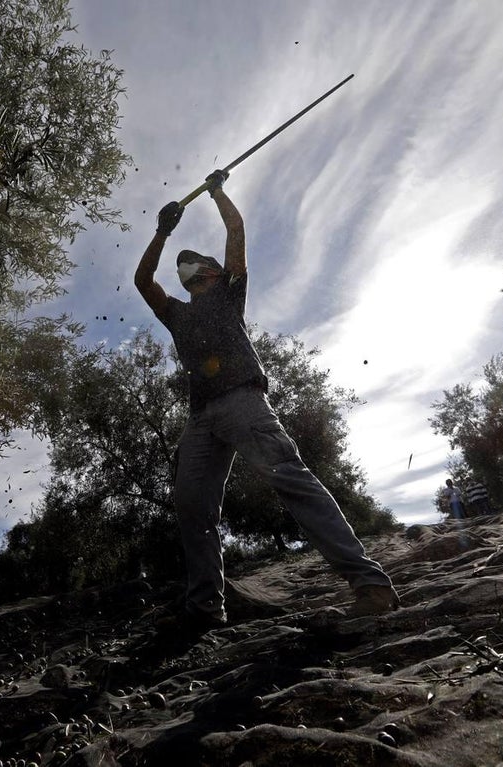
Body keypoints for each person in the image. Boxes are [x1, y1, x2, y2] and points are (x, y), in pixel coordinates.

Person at [133, 169, 399, 630]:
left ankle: (370, 584)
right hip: (200, 419)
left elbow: (236, 230)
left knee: (291, 480)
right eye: (182, 264)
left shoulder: (229, 291)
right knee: (192, 507)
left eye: (193, 260)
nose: (184, 264)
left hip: (244, 402)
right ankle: (205, 609)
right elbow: (143, 280)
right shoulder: (177, 314)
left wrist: (217, 192)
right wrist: (162, 233)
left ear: (213, 271)